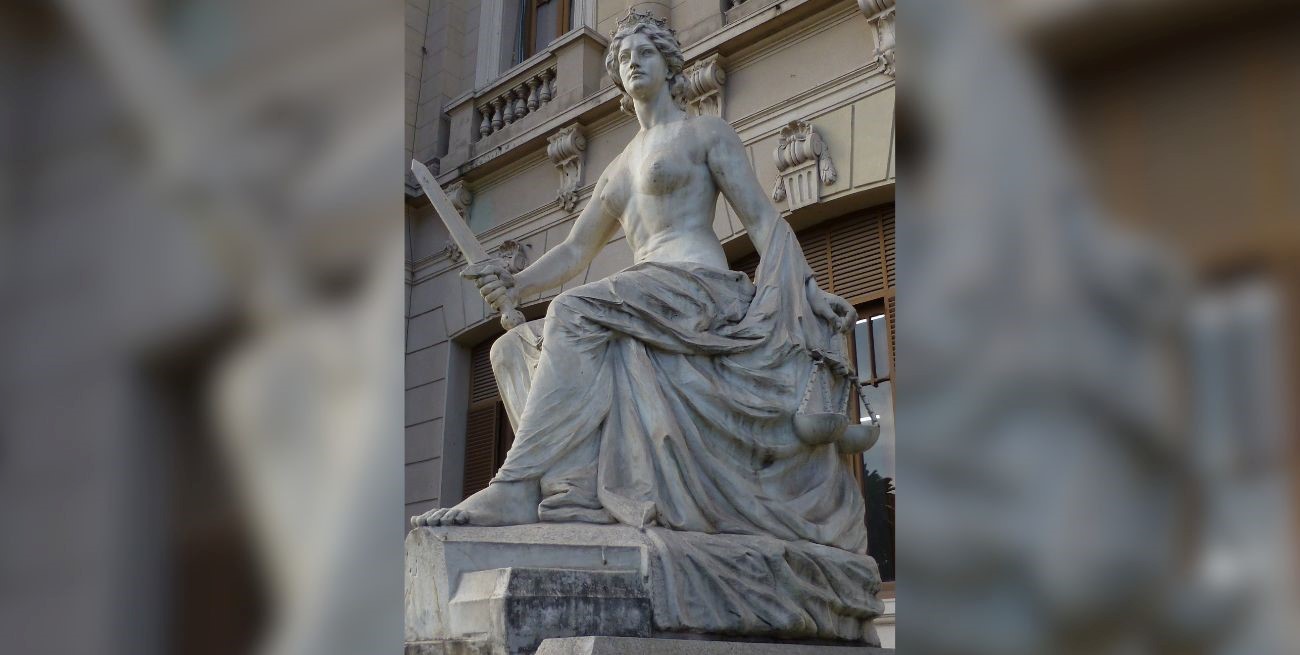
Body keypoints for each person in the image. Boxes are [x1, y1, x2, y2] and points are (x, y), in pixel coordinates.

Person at [412, 10, 865, 555]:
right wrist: (515, 283)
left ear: (670, 65)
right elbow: (575, 250)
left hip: (698, 286)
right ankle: (570, 488)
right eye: (624, 58)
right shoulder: (619, 167)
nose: (633, 64)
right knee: (509, 348)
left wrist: (808, 288)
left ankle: (514, 485)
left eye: (645, 53)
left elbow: (762, 220)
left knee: (573, 312)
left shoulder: (704, 133)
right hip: (646, 290)